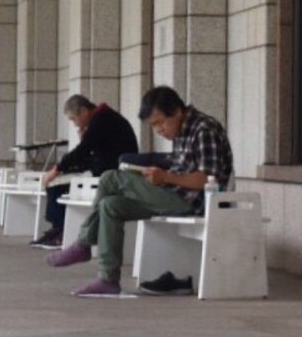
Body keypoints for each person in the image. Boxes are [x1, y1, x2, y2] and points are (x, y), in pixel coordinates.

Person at [47, 86, 234, 298]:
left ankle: (83, 243)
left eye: (160, 123)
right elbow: (179, 170)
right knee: (110, 205)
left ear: (176, 111)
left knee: (110, 177)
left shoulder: (203, 130)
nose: (159, 130)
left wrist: (166, 177)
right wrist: (156, 176)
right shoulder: (181, 130)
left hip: (194, 202)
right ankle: (108, 279)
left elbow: (207, 179)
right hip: (173, 193)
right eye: (153, 126)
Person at [31, 95, 138, 248]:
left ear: (84, 111)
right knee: (58, 183)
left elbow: (83, 151)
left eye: (73, 119)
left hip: (112, 176)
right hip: (106, 171)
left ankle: (61, 230)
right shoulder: (103, 118)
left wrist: (57, 169)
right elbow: (88, 154)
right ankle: (57, 228)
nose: (75, 124)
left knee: (56, 185)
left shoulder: (102, 120)